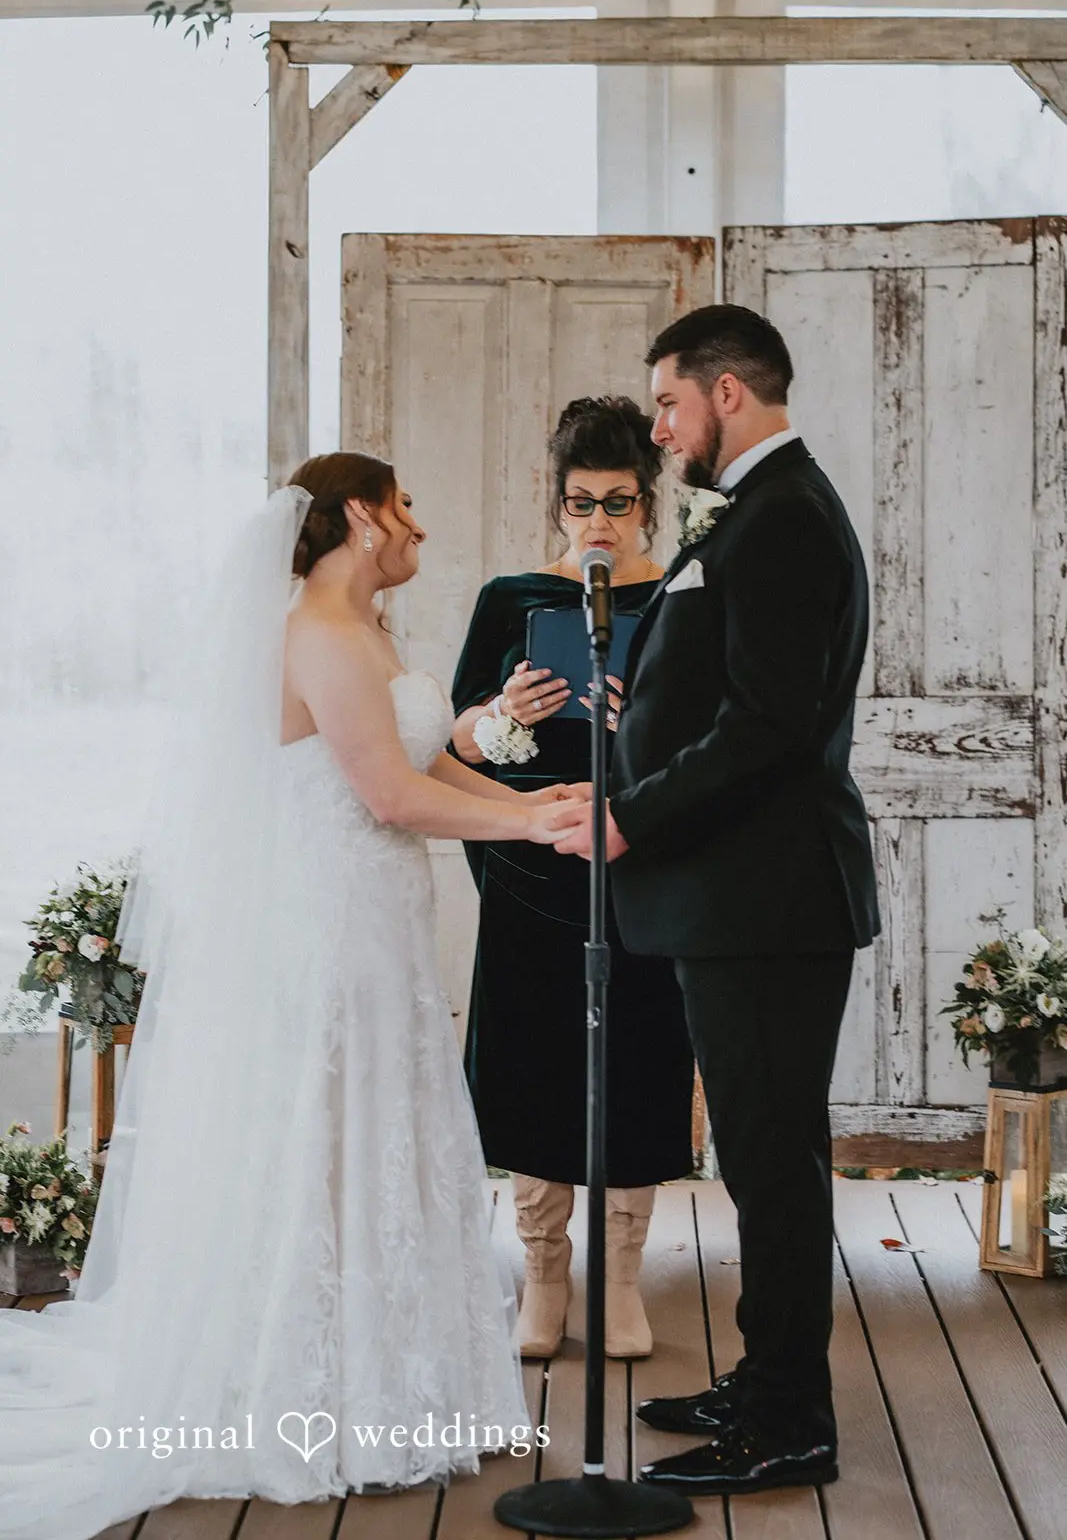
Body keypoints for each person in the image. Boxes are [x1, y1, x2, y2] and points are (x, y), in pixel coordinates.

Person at [0, 452, 587, 1540]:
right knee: (326, 1138)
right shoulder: (317, 632)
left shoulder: (361, 628)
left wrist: (527, 789)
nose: (418, 523)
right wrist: (538, 824)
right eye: (404, 504)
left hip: (377, 927)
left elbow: (421, 755)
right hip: (326, 934)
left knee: (378, 1133)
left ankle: (396, 1380)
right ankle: (316, 1392)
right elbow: (387, 793)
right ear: (363, 516)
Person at [555, 308, 881, 1496]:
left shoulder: (785, 516)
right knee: (758, 1159)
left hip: (767, 901)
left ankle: (790, 1416)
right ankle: (763, 1379)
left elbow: (768, 722)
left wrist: (630, 812)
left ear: (726, 391)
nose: (659, 427)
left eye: (669, 403)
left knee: (771, 1164)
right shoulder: (759, 508)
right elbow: (723, 691)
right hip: (739, 900)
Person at [450, 397, 694, 1363]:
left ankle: (622, 1281)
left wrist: (649, 719)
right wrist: (501, 707)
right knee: (534, 1066)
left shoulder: (682, 592)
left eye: (618, 503)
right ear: (558, 506)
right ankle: (543, 1277)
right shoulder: (510, 598)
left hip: (641, 866)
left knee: (636, 1061)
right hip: (529, 869)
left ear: (648, 504)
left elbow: (718, 740)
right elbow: (452, 743)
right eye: (580, 502)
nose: (598, 521)